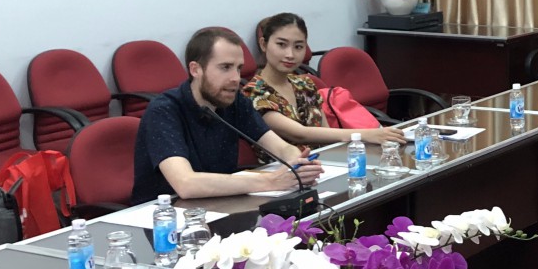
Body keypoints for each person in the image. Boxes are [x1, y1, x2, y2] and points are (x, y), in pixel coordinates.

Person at [131, 26, 322, 205]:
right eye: (225, 67)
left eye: (238, 68)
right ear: (195, 69)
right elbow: (186, 183)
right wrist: (271, 181)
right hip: (165, 215)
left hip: (220, 203)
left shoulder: (234, 101)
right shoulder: (163, 111)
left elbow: (280, 147)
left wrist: (297, 165)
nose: (236, 78)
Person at [243, 13, 407, 148]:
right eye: (281, 45)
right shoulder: (254, 93)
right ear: (263, 44)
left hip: (325, 164)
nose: (290, 54)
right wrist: (365, 134)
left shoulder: (305, 85)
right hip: (285, 171)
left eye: (298, 47)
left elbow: (326, 133)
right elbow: (300, 134)